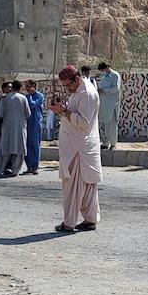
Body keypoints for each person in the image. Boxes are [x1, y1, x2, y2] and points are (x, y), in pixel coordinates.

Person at [51, 66, 102, 232]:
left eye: (68, 85)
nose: (67, 88)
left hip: (79, 149)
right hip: (79, 146)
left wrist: (64, 111)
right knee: (84, 186)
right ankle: (90, 220)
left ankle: (70, 222)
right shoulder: (78, 92)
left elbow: (83, 122)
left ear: (77, 79)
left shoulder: (86, 94)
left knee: (74, 186)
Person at [0, 82, 29, 177]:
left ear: (12, 87)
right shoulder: (23, 98)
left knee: (4, 149)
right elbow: (28, 113)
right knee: (19, 150)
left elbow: (0, 114)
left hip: (7, 128)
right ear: (20, 88)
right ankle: (14, 171)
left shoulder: (5, 99)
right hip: (20, 128)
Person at [96, 62, 121, 150]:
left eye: (103, 70)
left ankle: (113, 144)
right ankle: (105, 143)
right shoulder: (103, 76)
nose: (103, 72)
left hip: (112, 104)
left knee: (112, 125)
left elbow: (116, 89)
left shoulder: (115, 75)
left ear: (107, 68)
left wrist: (104, 90)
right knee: (102, 124)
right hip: (103, 104)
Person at [23, 80, 46, 174]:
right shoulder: (25, 96)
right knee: (27, 144)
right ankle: (29, 166)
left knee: (35, 144)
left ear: (33, 86)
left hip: (36, 122)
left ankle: (35, 166)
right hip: (27, 122)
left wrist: (29, 96)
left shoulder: (39, 96)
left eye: (28, 86)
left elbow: (32, 105)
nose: (27, 89)